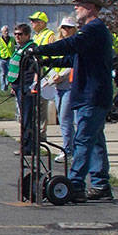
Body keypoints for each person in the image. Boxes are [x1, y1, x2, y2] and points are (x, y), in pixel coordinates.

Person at [34, 0, 114, 201]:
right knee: (95, 141)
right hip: (90, 95)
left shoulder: (93, 29)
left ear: (90, 7)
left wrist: (41, 51)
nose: (75, 8)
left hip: (92, 95)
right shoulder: (91, 31)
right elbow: (74, 58)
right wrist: (49, 61)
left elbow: (71, 45)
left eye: (79, 5)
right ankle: (100, 185)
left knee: (83, 141)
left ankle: (76, 185)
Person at [40, 17, 77, 155]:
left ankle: (68, 150)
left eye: (69, 27)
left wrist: (62, 76)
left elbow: (71, 63)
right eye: (64, 27)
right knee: (62, 118)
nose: (66, 30)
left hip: (69, 85)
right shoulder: (58, 43)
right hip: (57, 85)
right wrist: (52, 77)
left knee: (66, 118)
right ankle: (70, 147)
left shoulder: (75, 44)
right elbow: (54, 63)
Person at [5, 22, 39, 156]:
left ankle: (27, 147)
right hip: (18, 86)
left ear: (27, 35)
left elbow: (37, 67)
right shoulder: (19, 48)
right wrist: (13, 85)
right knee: (23, 117)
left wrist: (34, 85)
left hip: (27, 87)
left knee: (27, 118)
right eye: (16, 34)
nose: (17, 37)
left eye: (20, 34)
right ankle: (27, 145)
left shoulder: (31, 48)